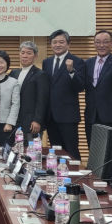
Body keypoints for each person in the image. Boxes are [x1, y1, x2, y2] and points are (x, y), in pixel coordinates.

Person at [83, 30, 112, 177]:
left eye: (105, 42)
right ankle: (96, 182)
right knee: (95, 153)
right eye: (98, 42)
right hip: (92, 115)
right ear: (94, 44)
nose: (101, 45)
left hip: (111, 115)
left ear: (111, 43)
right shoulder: (88, 63)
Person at [42, 29, 85, 160]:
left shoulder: (77, 61)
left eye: (61, 42)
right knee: (56, 152)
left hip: (68, 116)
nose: (57, 45)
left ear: (68, 44)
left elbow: (80, 87)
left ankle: (76, 173)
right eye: (54, 42)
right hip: (51, 117)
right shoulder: (47, 62)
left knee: (71, 151)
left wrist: (71, 71)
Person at [9, 41, 49, 144]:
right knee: (14, 149)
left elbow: (42, 100)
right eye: (22, 53)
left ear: (35, 56)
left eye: (29, 53)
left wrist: (37, 120)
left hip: (31, 123)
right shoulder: (13, 73)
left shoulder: (40, 74)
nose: (25, 56)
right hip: (14, 121)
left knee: (31, 150)